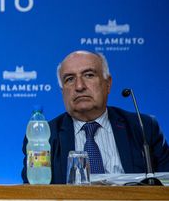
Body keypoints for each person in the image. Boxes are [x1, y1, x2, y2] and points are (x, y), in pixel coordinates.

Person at [22, 50, 169, 184]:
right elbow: (35, 192)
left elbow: (165, 183)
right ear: (62, 91)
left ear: (108, 84)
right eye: (69, 79)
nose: (79, 86)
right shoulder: (46, 136)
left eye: (89, 75)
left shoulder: (143, 128)